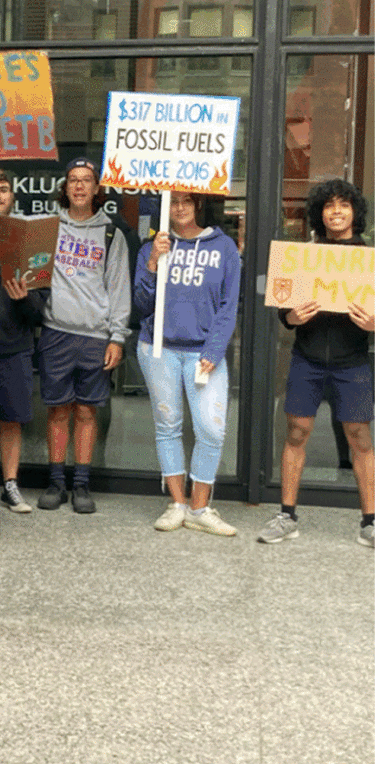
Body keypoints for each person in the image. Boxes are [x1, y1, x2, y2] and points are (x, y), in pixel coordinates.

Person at [259, 179, 375, 547]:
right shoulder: (303, 256)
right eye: (329, 205)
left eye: (343, 204)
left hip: (353, 361)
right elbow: (283, 311)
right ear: (319, 213)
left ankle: (369, 522)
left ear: (355, 212)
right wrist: (292, 316)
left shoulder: (370, 258)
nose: (336, 211)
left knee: (360, 438)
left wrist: (375, 324)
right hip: (307, 359)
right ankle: (286, 516)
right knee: (296, 432)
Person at [133, 192, 242, 535]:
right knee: (168, 425)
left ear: (197, 205)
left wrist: (214, 350)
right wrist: (152, 263)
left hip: (203, 352)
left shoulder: (223, 247)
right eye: (174, 202)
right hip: (158, 348)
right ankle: (178, 503)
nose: (180, 207)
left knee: (211, 430)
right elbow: (141, 305)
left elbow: (229, 306)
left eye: (186, 201)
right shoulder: (154, 246)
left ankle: (200, 506)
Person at [33, 156, 130, 514]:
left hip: (94, 337)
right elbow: (7, 228)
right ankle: (56, 482)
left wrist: (117, 337)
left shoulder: (111, 233)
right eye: (73, 179)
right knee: (58, 411)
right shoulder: (47, 227)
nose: (78, 185)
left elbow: (119, 287)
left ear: (96, 188)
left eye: (86, 179)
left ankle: (82, 485)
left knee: (87, 412)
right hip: (56, 331)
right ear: (65, 187)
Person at [0, 168, 46, 514]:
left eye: (3, 189)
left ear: (13, 196)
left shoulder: (28, 240)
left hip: (14, 345)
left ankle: (10, 485)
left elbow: (39, 312)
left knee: (10, 420)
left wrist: (23, 298)